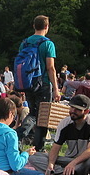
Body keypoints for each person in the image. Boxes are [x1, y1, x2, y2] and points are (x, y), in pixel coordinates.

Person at [29, 95, 90, 175]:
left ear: (86, 111)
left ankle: (68, 174)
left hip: (84, 161)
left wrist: (73, 163)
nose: (73, 111)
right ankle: (69, 174)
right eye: (72, 108)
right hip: (68, 160)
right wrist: (51, 164)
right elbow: (55, 148)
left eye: (77, 109)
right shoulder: (64, 123)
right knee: (33, 157)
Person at [15, 15, 60, 151]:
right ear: (47, 26)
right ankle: (29, 140)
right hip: (44, 83)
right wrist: (56, 89)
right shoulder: (48, 44)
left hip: (29, 83)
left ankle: (32, 143)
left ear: (34, 26)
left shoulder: (24, 43)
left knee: (33, 112)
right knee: (42, 116)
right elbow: (50, 68)